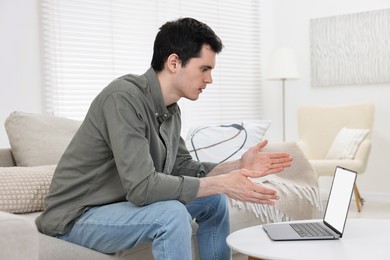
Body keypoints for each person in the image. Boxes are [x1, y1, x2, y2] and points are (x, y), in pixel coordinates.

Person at [36, 17, 293, 260]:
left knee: (214, 202)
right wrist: (223, 183)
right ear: (173, 62)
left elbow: (181, 167)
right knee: (172, 214)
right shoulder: (123, 99)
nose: (210, 79)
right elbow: (142, 188)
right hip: (75, 219)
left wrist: (238, 167)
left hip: (116, 207)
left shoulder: (172, 110)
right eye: (204, 68)